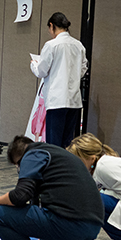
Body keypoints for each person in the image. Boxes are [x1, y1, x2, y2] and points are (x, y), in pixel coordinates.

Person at [0, 135, 106, 240]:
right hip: (91, 227)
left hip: (68, 222)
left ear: (19, 159)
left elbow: (20, 196)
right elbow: (35, 202)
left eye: (17, 166)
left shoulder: (32, 155)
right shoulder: (58, 155)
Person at [30, 12, 88, 149]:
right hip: (73, 100)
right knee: (68, 143)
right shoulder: (78, 45)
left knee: (54, 143)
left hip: (56, 101)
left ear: (52, 25)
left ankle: (54, 169)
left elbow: (41, 71)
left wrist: (34, 64)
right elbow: (83, 68)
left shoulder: (51, 45)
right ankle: (65, 169)